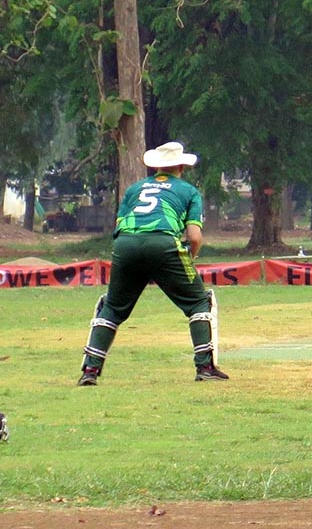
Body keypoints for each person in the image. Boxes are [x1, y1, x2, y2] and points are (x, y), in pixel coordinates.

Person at [77, 141, 229, 385]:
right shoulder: (189, 191)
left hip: (125, 245)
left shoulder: (134, 189)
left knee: (113, 307)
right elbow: (194, 237)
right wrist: (188, 259)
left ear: (156, 166)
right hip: (164, 244)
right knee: (199, 302)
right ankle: (205, 366)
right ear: (182, 166)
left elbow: (119, 226)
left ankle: (90, 370)